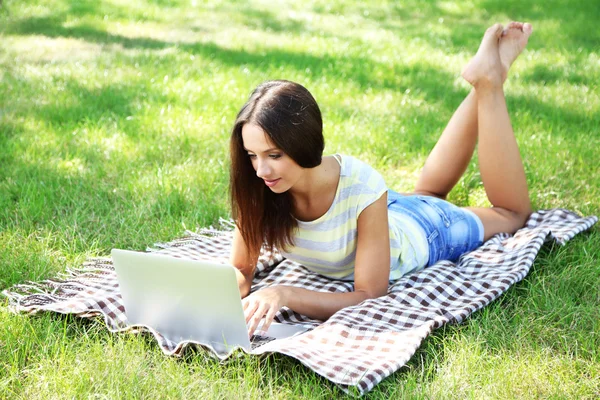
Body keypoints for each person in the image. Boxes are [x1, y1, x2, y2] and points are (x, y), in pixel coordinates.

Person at [229, 22, 534, 337]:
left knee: (511, 214)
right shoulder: (258, 185)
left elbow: (369, 295)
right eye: (252, 155)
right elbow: (240, 269)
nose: (260, 170)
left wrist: (284, 294)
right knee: (428, 192)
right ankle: (484, 79)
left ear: (303, 143)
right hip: (382, 218)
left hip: (424, 232)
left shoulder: (359, 185)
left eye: (274, 155)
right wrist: (224, 297)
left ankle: (490, 82)